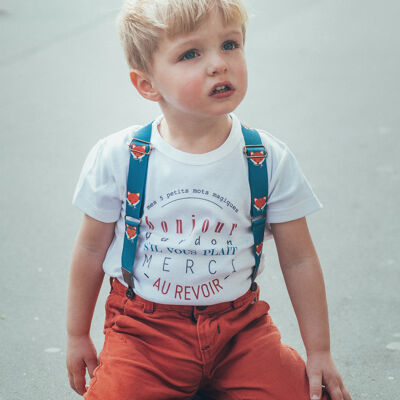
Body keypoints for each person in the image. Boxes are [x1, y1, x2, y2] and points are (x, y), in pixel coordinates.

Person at [66, 1, 352, 399]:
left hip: (240, 328)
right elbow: (89, 247)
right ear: (147, 84)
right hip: (145, 332)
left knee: (300, 393)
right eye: (190, 53)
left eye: (230, 45)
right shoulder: (120, 156)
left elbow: (299, 257)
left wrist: (319, 351)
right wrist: (77, 334)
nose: (219, 64)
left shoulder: (267, 158)